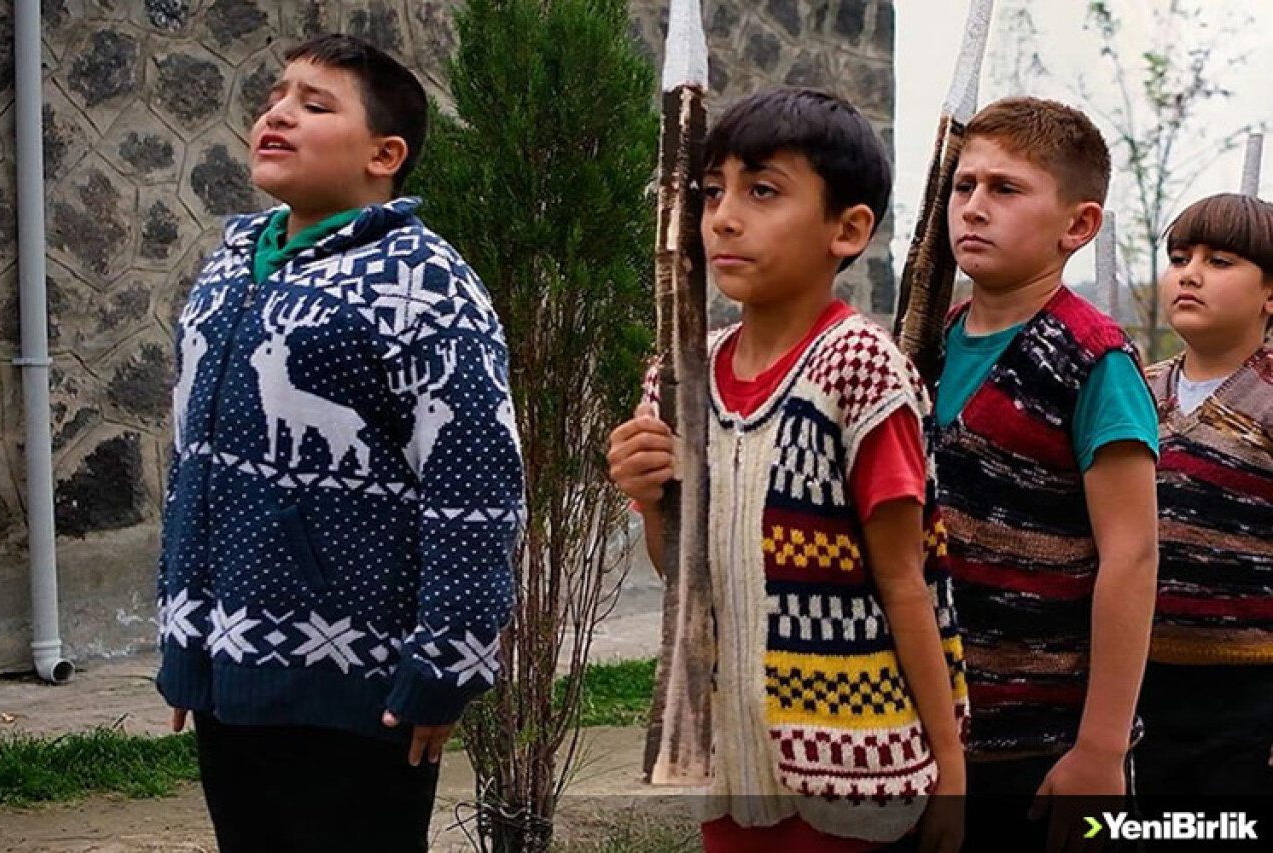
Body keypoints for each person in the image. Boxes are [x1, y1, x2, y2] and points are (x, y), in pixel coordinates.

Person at [155, 33, 524, 853]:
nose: (278, 113)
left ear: (384, 154)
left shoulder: (426, 284)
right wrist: (183, 634)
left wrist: (448, 662)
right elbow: (190, 469)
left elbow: (475, 486)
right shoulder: (229, 266)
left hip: (365, 693)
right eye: (276, 97)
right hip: (227, 674)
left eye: (315, 105)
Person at [609, 88, 968, 853]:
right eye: (713, 193)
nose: (724, 217)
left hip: (851, 768)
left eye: (762, 190)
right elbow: (683, 575)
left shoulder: (862, 370)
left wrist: (952, 769)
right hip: (727, 761)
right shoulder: (679, 375)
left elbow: (906, 579)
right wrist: (650, 501)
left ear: (849, 229)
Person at [933, 96, 1159, 849]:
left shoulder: (1095, 357)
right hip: (926, 731)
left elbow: (1132, 554)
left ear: (1078, 225)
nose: (972, 208)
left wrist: (1099, 748)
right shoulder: (921, 345)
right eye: (963, 186)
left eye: (1005, 189)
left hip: (1041, 745)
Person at [1136, 193, 1273, 797]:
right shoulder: (1136, 392)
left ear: (1271, 294)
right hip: (1137, 690)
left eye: (1221, 261)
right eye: (1179, 257)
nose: (1190, 273)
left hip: (1248, 702)